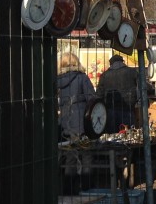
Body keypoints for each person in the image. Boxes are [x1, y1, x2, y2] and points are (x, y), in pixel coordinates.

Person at [57, 53, 95, 193]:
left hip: (65, 124)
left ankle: (68, 190)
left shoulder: (57, 80)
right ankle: (87, 189)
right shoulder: (82, 78)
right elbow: (92, 100)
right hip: (82, 124)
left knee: (70, 157)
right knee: (86, 156)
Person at [97, 54, 140, 134]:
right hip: (128, 109)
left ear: (111, 64)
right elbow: (142, 87)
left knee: (112, 137)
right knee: (128, 136)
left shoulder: (104, 75)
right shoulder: (132, 72)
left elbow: (99, 95)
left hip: (110, 110)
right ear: (122, 62)